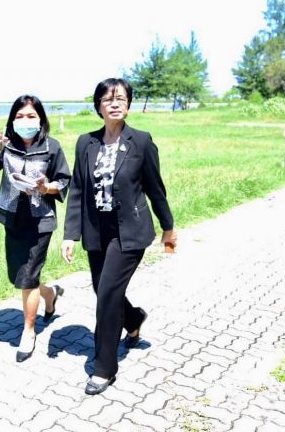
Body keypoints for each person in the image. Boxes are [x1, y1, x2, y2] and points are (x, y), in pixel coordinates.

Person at [61, 78, 177, 395]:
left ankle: (104, 368)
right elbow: (78, 190)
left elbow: (155, 188)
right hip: (97, 230)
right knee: (103, 289)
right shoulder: (85, 142)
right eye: (108, 99)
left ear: (128, 104)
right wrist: (70, 234)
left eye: (121, 98)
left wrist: (168, 227)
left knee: (108, 294)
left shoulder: (141, 141)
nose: (115, 104)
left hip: (131, 230)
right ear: (98, 106)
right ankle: (134, 318)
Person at [0, 95, 71, 362]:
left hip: (40, 220)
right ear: (12, 120)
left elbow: (63, 181)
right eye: (19, 116)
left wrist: (45, 188)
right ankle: (50, 294)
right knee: (21, 275)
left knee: (28, 276)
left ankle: (28, 331)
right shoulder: (6, 145)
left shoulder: (52, 147)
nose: (25, 121)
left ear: (40, 119)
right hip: (12, 218)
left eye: (31, 116)